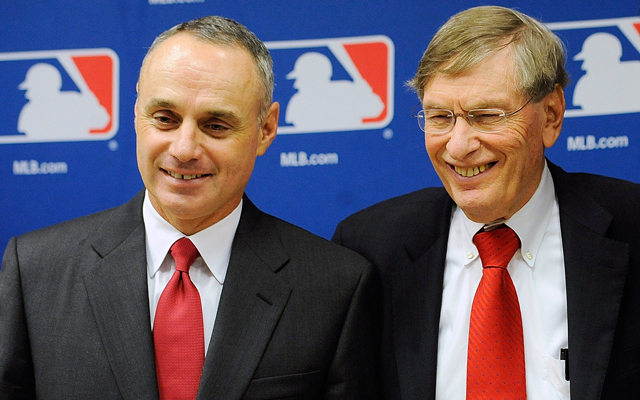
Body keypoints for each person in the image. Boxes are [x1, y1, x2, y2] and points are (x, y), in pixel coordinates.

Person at [0, 16, 381, 399]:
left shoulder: (335, 287)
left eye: (216, 125)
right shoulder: (34, 272)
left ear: (265, 129)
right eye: (165, 119)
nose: (183, 149)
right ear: (136, 115)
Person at [333, 6, 640, 400]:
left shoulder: (631, 226)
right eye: (441, 117)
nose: (458, 146)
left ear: (551, 115)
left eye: (486, 115)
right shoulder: (369, 248)